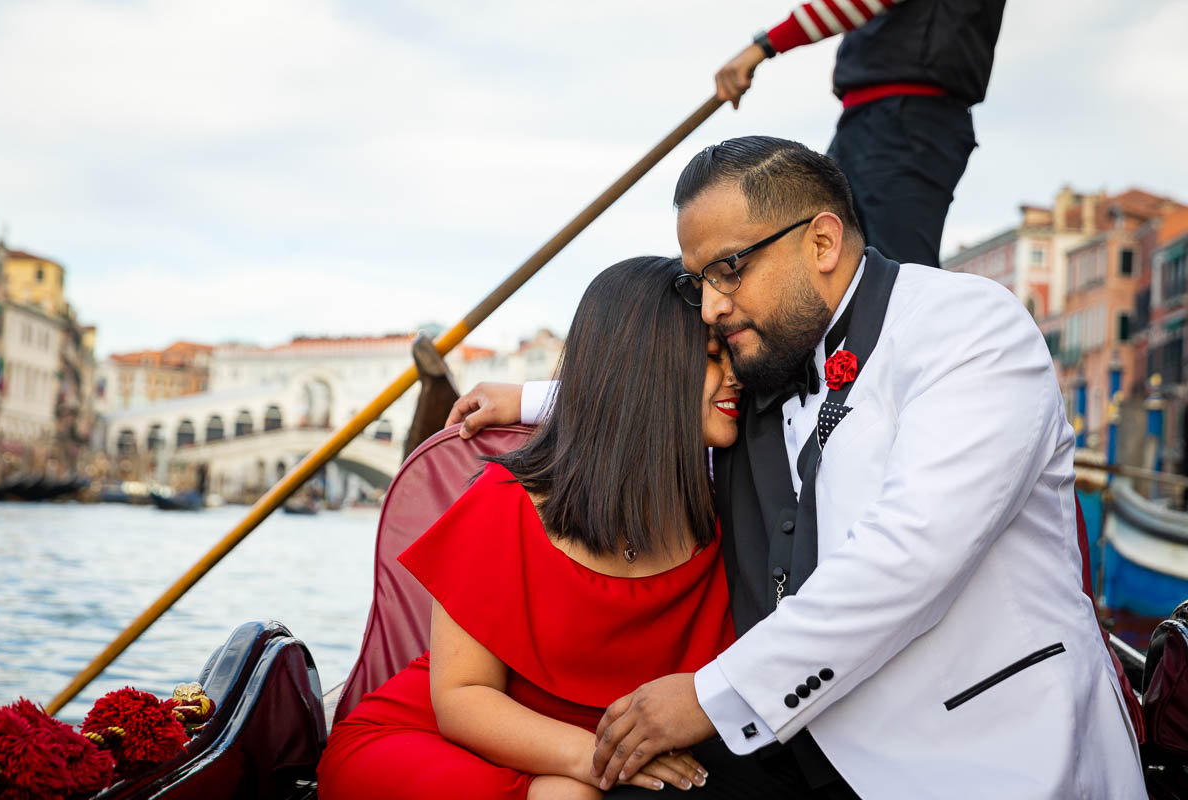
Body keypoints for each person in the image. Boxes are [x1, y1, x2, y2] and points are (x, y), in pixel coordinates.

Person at [449, 137, 1145, 798]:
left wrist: (706, 695)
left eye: (729, 269)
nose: (713, 306)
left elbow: (909, 556)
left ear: (821, 242)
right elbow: (653, 390)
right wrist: (533, 397)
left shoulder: (970, 328)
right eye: (699, 284)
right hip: (812, 748)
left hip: (985, 755)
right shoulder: (769, 358)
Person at [318, 256, 744, 800]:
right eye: (713, 357)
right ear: (646, 373)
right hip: (436, 743)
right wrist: (597, 763)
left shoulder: (740, 509)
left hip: (589, 767)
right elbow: (463, 699)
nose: (736, 374)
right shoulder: (504, 503)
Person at [713, 0, 1005, 267]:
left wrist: (762, 47)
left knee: (897, 272)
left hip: (905, 120)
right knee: (832, 259)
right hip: (877, 120)